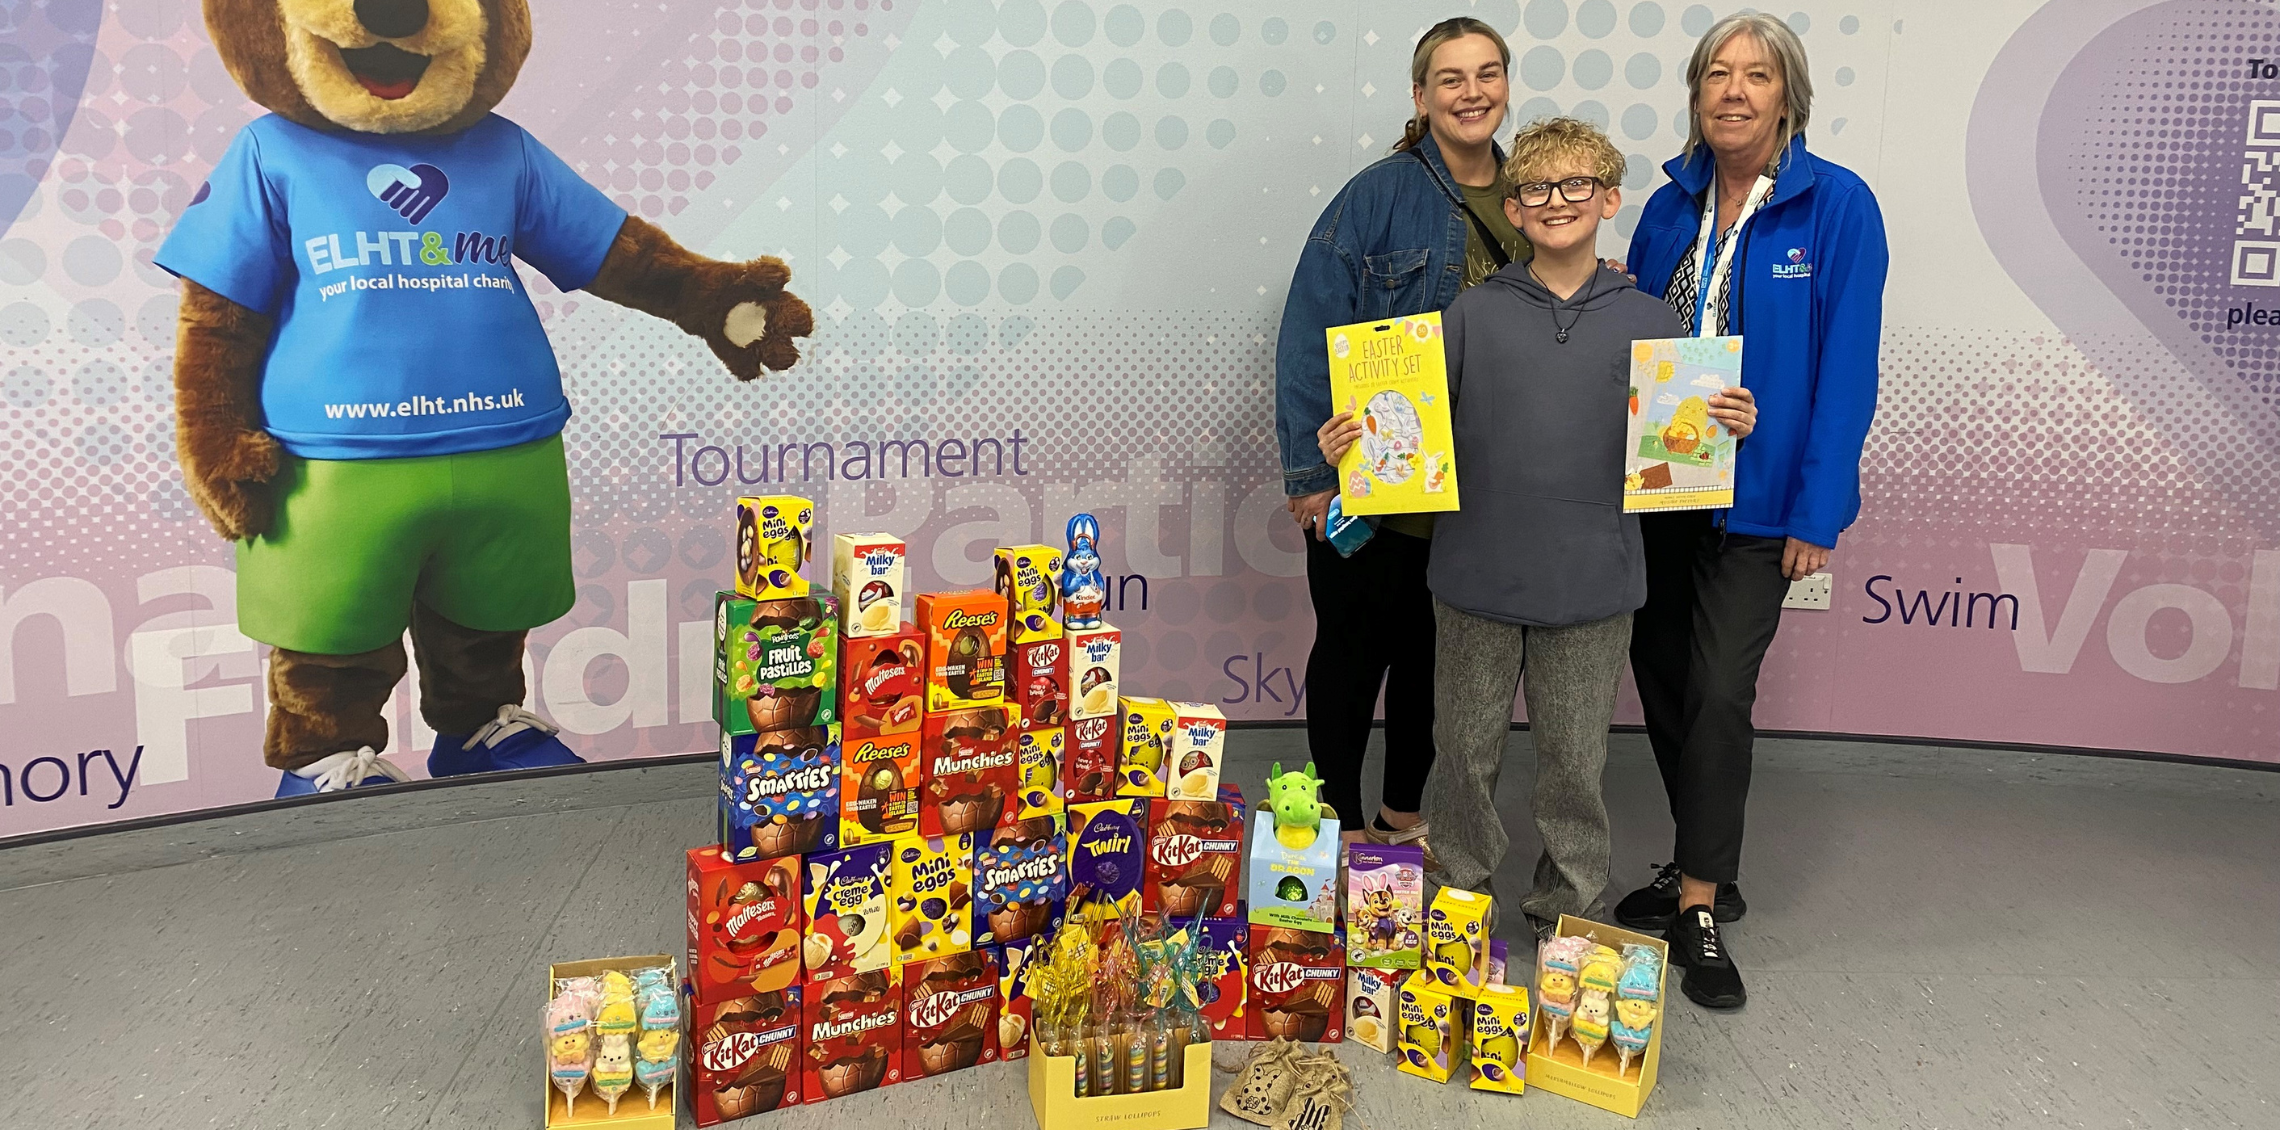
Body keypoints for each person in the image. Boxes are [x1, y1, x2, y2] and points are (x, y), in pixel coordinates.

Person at [1322, 118, 1753, 936]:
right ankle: (1457, 897)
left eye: (1575, 186)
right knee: (1465, 756)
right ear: (1513, 209)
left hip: (1594, 583)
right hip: (1475, 577)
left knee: (1574, 767)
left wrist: (1728, 420)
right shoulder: (1469, 316)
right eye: (1535, 190)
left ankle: (1572, 911)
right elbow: (1406, 429)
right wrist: (1355, 438)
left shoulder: (1657, 326)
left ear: (1608, 199)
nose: (1556, 202)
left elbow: (1681, 456)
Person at [1614, 12, 1889, 1009]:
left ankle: (1698, 898)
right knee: (1664, 678)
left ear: (1787, 96)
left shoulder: (1837, 208)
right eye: (1717, 74)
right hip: (1660, 492)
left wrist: (1819, 511)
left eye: (1756, 75)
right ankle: (1702, 854)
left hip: (1764, 497)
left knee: (1722, 690)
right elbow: (1634, 331)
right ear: (1696, 95)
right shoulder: (1665, 203)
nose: (1734, 90)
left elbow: (1848, 372)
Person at [1273, 17, 1531, 857]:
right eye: (1450, 79)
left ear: (1504, 85)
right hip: (1372, 485)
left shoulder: (1535, 195)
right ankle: (1339, 829)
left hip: (1485, 492)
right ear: (1421, 97)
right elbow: (1310, 331)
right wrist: (1312, 473)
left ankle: (1403, 816)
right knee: (1350, 659)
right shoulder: (1377, 196)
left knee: (1437, 667)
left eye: (1486, 73)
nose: (1472, 92)